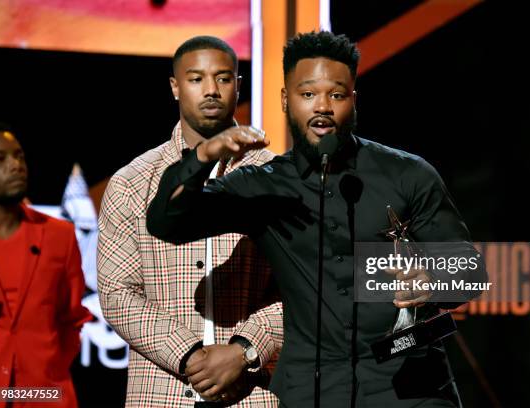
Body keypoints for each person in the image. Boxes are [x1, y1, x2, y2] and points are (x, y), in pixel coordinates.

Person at [146, 31, 487, 407]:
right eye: (307, 94)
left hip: (411, 386)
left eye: (336, 95)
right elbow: (169, 223)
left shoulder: (408, 174)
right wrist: (200, 159)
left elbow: (470, 272)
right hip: (314, 390)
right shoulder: (265, 186)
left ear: (353, 101)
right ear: (286, 100)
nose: (322, 106)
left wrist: (434, 278)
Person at [97, 36, 283, 408]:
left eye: (223, 78)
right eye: (197, 79)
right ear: (175, 87)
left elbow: (304, 286)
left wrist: (244, 349)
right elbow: (117, 292)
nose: (211, 90)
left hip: (254, 391)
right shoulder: (133, 180)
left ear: (238, 86)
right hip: (161, 391)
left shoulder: (277, 176)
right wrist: (190, 355)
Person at [0, 122, 92, 408]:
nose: (15, 166)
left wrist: (47, 371)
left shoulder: (59, 235)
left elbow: (72, 317)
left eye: (19, 156)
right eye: (0, 159)